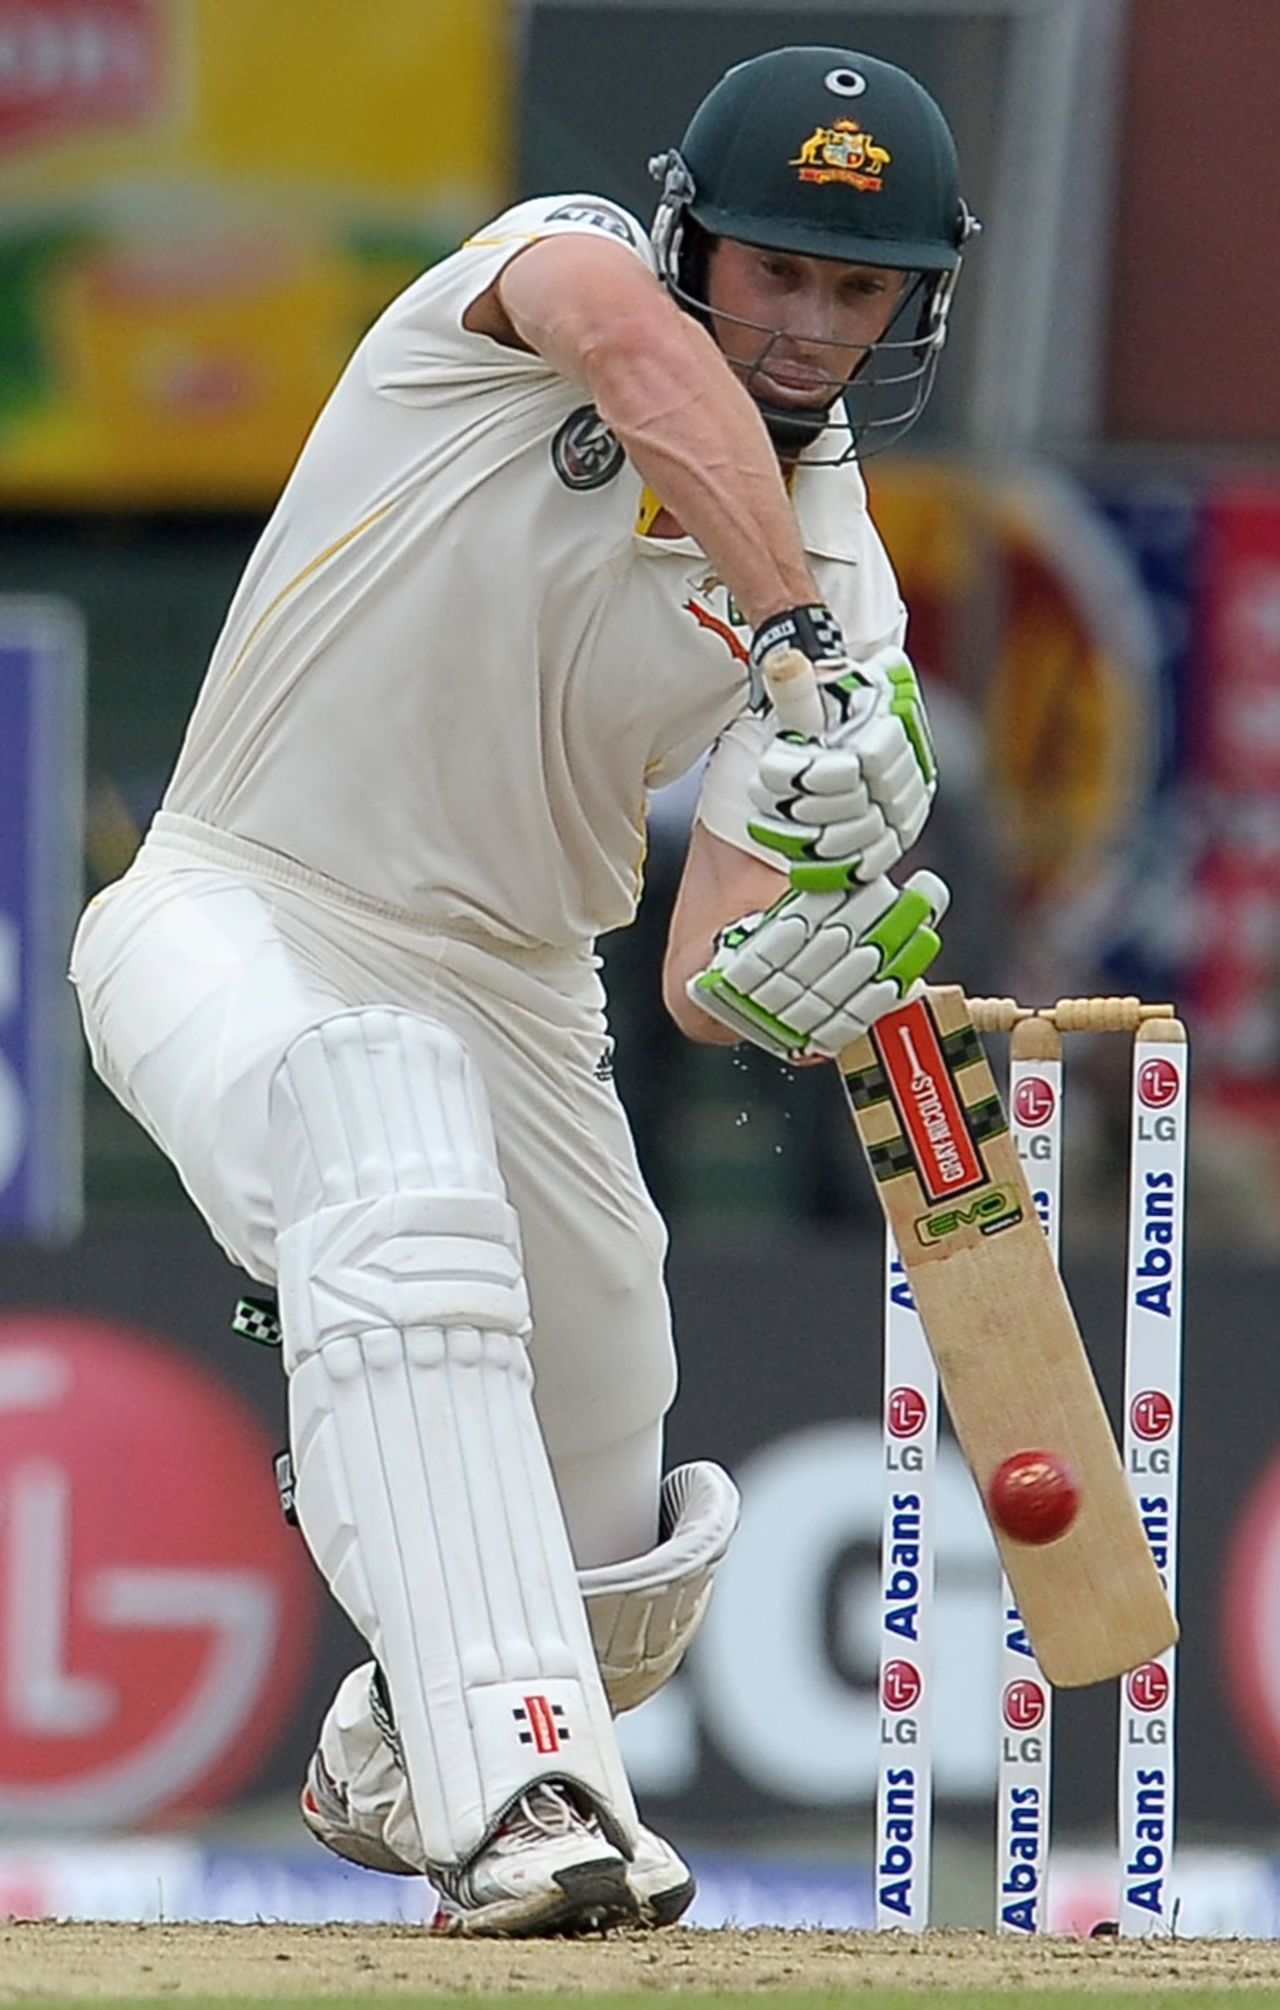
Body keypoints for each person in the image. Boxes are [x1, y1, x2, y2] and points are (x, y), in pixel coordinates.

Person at [69, 45, 974, 1937]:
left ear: (911, 303)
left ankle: (414, 1725)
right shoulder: (544, 269)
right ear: (689, 238)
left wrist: (794, 958)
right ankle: (529, 1804)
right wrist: (796, 642)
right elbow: (636, 363)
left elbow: (708, 961)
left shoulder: (848, 585)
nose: (805, 326)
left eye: (855, 285)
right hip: (237, 903)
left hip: (531, 1001)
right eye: (773, 268)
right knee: (386, 1135)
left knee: (613, 1541)